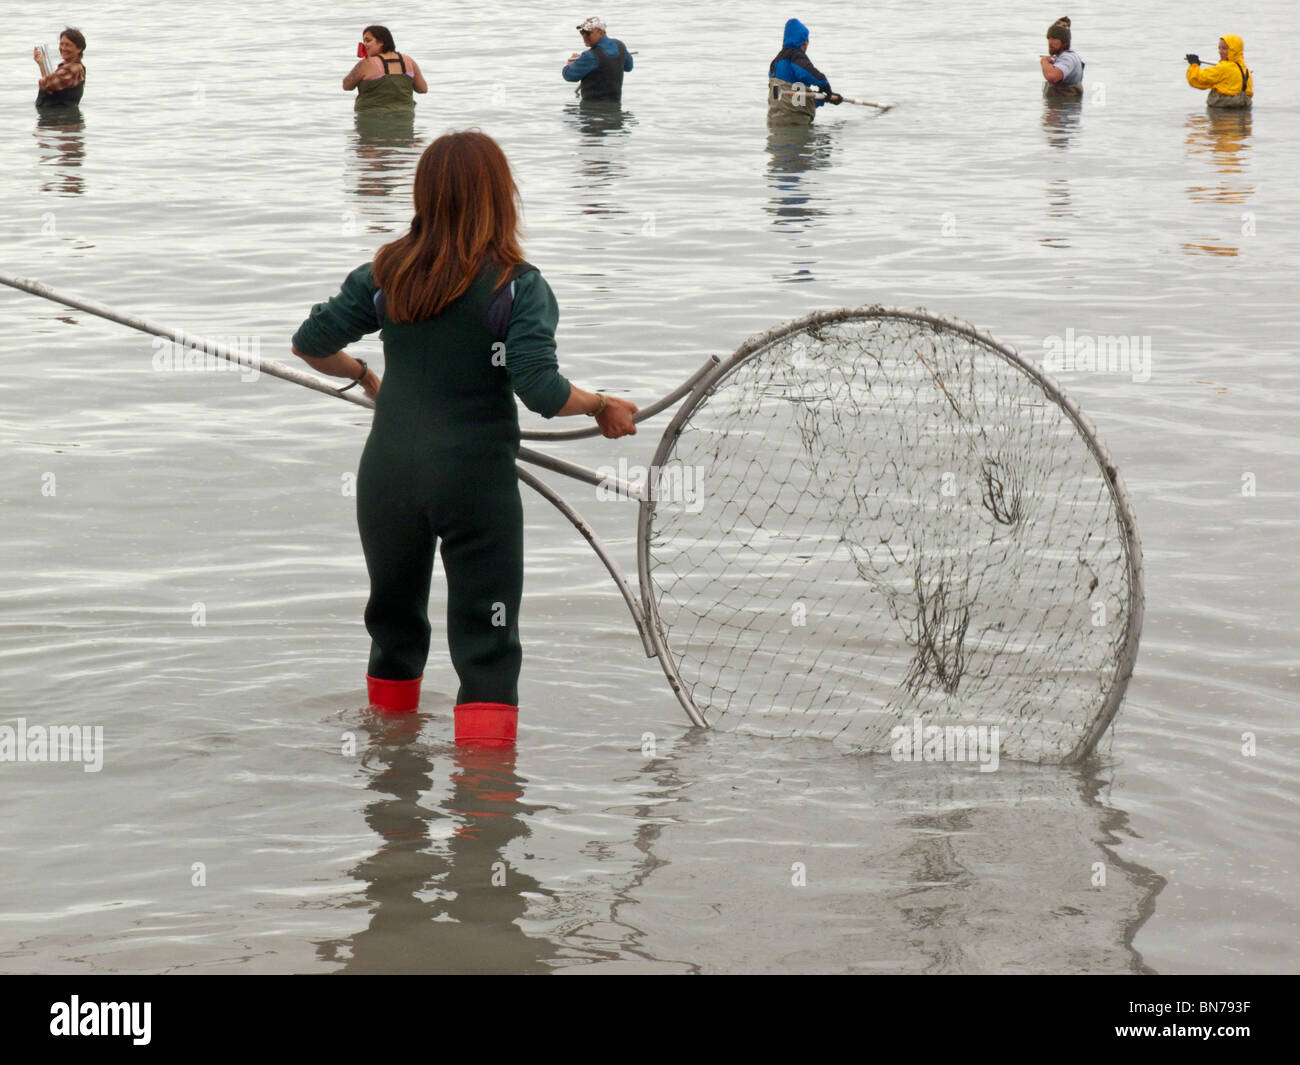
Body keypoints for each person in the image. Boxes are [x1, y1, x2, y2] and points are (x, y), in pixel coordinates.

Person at [291, 131, 637, 747]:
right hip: (474, 480)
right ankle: (485, 819)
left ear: (424, 195)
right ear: (500, 196)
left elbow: (310, 343)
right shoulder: (516, 284)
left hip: (388, 475)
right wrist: (604, 404)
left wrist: (369, 376)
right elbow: (542, 391)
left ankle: (393, 799)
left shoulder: (386, 271)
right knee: (487, 640)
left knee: (394, 630)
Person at [768, 18, 842, 124]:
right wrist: (824, 83)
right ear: (803, 41)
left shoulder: (775, 62)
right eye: (807, 40)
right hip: (794, 122)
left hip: (774, 121)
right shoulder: (796, 56)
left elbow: (793, 97)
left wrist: (826, 98)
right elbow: (806, 73)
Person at [343, 25, 428, 113]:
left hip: (371, 118)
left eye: (368, 41)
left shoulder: (367, 63)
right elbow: (422, 89)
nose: (365, 45)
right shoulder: (409, 61)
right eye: (364, 41)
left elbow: (346, 86)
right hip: (404, 116)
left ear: (381, 42)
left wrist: (363, 62)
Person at [562, 17, 632, 101]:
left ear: (601, 33)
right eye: (582, 32)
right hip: (615, 105)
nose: (584, 36)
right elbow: (628, 67)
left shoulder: (589, 56)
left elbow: (569, 76)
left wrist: (571, 62)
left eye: (588, 33)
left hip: (592, 110)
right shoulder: (620, 45)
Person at [1186, 35, 1253, 109]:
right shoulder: (1246, 71)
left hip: (1221, 113)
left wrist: (1194, 65)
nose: (1220, 52)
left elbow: (1197, 79)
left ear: (1233, 50)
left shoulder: (1223, 68)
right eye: (1219, 48)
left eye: (1224, 48)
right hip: (1244, 112)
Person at [34, 27, 86, 108]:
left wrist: (44, 76)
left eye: (68, 45)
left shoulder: (72, 70)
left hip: (60, 118)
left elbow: (46, 84)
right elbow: (50, 85)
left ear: (79, 49)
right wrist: (41, 64)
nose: (63, 48)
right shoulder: (70, 67)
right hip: (58, 117)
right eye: (61, 44)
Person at [1040, 17, 1084, 98]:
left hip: (1064, 108)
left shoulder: (1068, 58)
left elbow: (1052, 76)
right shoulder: (1062, 57)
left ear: (1064, 42)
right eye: (1049, 38)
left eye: (1054, 38)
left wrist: (1044, 61)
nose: (1050, 42)